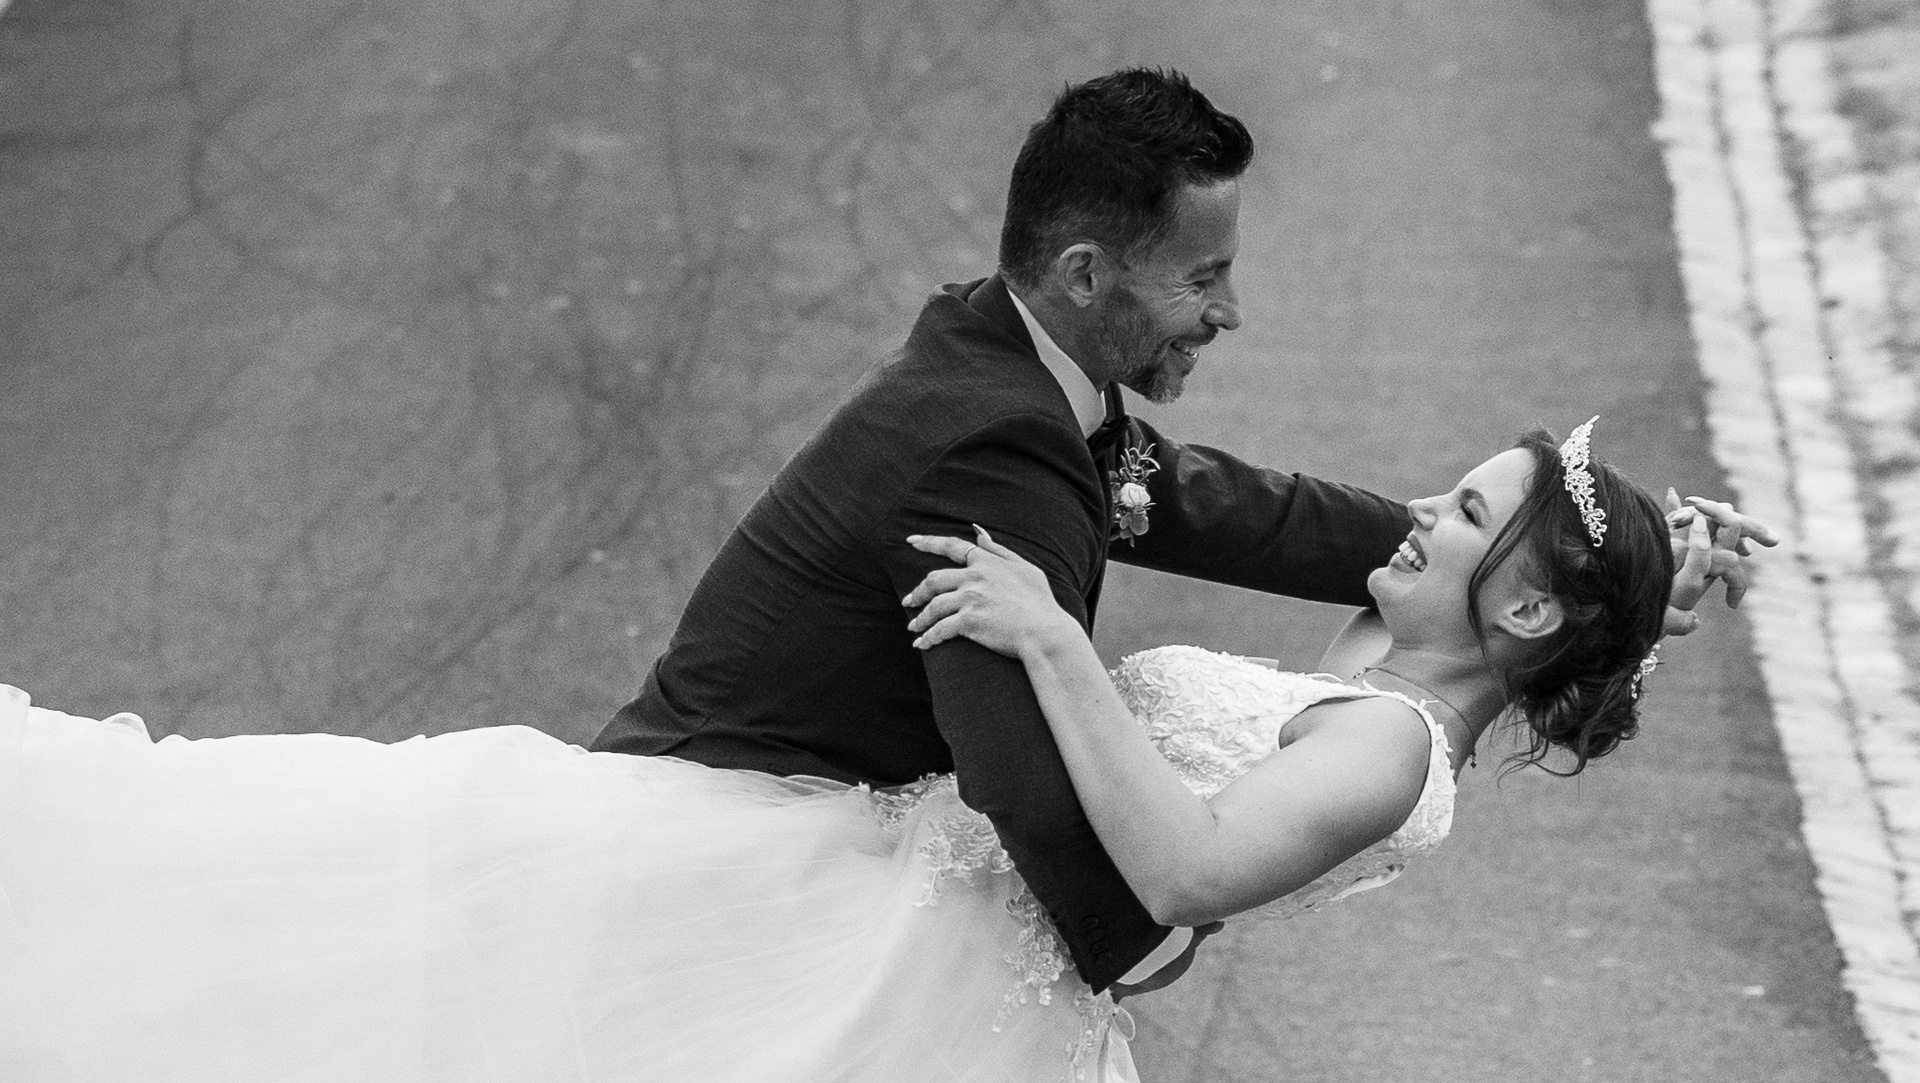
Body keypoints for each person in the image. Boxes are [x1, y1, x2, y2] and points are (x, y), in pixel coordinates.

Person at [0, 420, 1729, 1082]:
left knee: (510, 941)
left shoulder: (1390, 752)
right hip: (902, 878)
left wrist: (1050, 638)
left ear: (1515, 612)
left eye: (1462, 514)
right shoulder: (1399, 661)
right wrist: (1660, 567)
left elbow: (1188, 868)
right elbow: (1491, 591)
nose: (1421, 510)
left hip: (948, 965)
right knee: (482, 893)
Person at [587, 65, 1762, 998]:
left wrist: (1604, 579)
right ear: (1085, 274)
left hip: (880, 886)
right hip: (744, 847)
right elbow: (1015, 765)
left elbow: (1235, 510)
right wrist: (1129, 952)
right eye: (1203, 279)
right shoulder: (992, 440)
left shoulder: (1011, 367)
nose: (1230, 313)